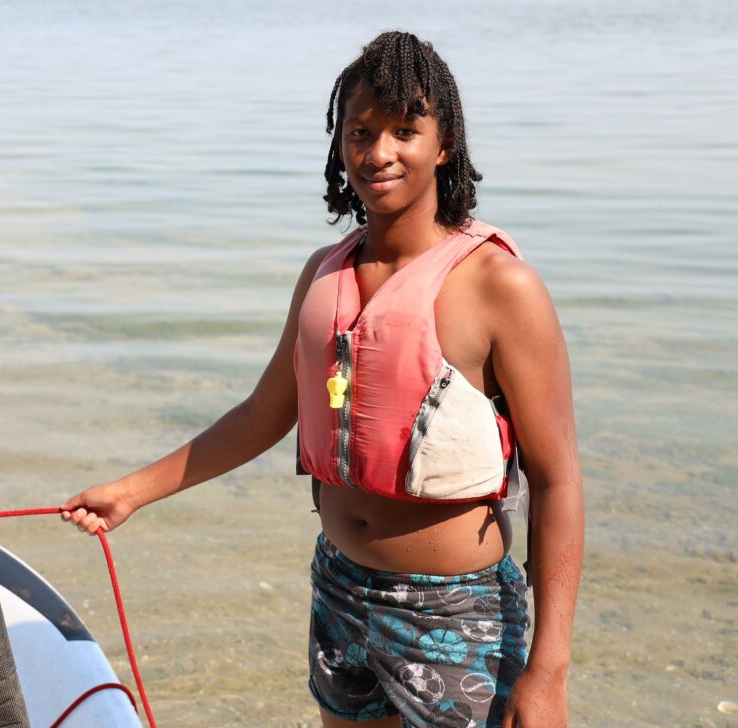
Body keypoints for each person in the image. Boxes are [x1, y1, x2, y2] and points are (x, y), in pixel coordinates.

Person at [61, 30, 582, 728]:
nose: (379, 153)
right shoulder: (323, 272)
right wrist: (130, 493)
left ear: (445, 143)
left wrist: (547, 671)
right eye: (360, 132)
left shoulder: (499, 287)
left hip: (457, 611)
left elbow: (557, 481)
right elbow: (262, 415)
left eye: (405, 131)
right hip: (338, 588)